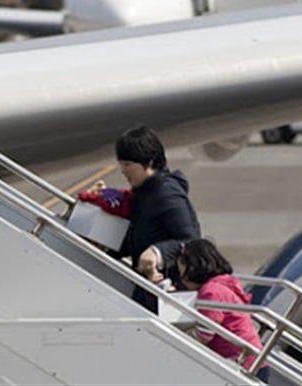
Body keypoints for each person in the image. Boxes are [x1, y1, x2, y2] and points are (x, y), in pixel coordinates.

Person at [111, 126, 201, 311]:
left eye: (128, 164)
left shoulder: (166, 194)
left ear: (149, 161)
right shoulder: (144, 193)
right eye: (121, 164)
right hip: (147, 289)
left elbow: (191, 240)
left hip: (167, 291)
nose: (122, 170)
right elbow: (140, 237)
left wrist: (158, 252)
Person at [177, 239, 266, 376]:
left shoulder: (211, 292)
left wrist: (179, 336)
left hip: (242, 362)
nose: (182, 280)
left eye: (182, 273)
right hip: (253, 360)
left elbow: (205, 334)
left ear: (193, 268)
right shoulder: (222, 284)